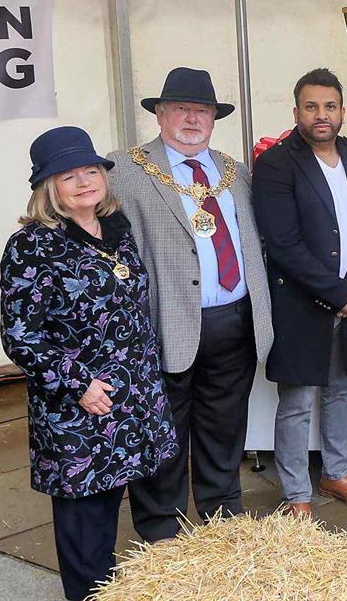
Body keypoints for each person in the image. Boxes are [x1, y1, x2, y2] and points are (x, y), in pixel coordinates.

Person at [0, 127, 177, 601]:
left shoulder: (116, 230)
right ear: (48, 189)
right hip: (81, 408)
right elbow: (21, 336)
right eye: (67, 176)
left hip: (132, 398)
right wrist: (78, 384)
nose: (83, 182)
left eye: (91, 170)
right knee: (86, 530)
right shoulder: (32, 246)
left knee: (125, 510)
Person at [108, 66, 274, 542]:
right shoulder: (125, 171)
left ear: (214, 118)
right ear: (159, 115)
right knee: (163, 429)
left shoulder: (233, 171)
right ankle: (163, 527)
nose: (191, 118)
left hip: (235, 320)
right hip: (167, 325)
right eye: (180, 108)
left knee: (224, 423)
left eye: (201, 110)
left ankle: (222, 510)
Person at [252, 68, 347, 518]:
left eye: (330, 106)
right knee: (295, 402)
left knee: (340, 390)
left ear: (343, 112)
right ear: (296, 112)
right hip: (300, 302)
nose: (321, 115)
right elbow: (283, 243)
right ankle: (296, 494)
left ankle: (336, 473)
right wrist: (337, 292)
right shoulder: (275, 164)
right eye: (311, 107)